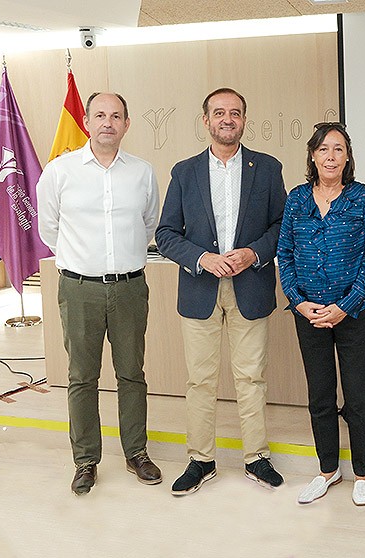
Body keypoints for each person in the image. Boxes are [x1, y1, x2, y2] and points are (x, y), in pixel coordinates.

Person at [155, 87, 286, 495]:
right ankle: (201, 459)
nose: (227, 119)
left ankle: (256, 458)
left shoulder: (267, 168)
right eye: (219, 112)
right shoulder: (184, 171)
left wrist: (253, 253)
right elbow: (165, 235)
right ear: (205, 120)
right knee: (200, 381)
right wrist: (202, 259)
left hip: (250, 285)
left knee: (251, 378)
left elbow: (282, 227)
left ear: (244, 120)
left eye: (235, 112)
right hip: (200, 289)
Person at [37, 92, 162, 495]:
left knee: (132, 373)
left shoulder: (142, 172)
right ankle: (86, 460)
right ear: (87, 121)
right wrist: (84, 261)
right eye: (100, 115)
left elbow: (148, 226)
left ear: (127, 124)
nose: (108, 122)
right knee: (81, 377)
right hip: (79, 289)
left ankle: (136, 452)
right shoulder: (59, 172)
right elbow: (48, 229)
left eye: (116, 116)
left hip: (129, 289)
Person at [278, 122, 365, 507]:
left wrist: (345, 306)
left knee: (357, 395)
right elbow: (284, 255)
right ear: (312, 155)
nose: (331, 156)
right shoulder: (296, 200)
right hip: (308, 311)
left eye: (338, 149)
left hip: (353, 312)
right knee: (320, 395)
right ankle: (327, 469)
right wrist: (297, 299)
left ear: (347, 157)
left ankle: (362, 473)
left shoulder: (362, 198)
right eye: (324, 149)